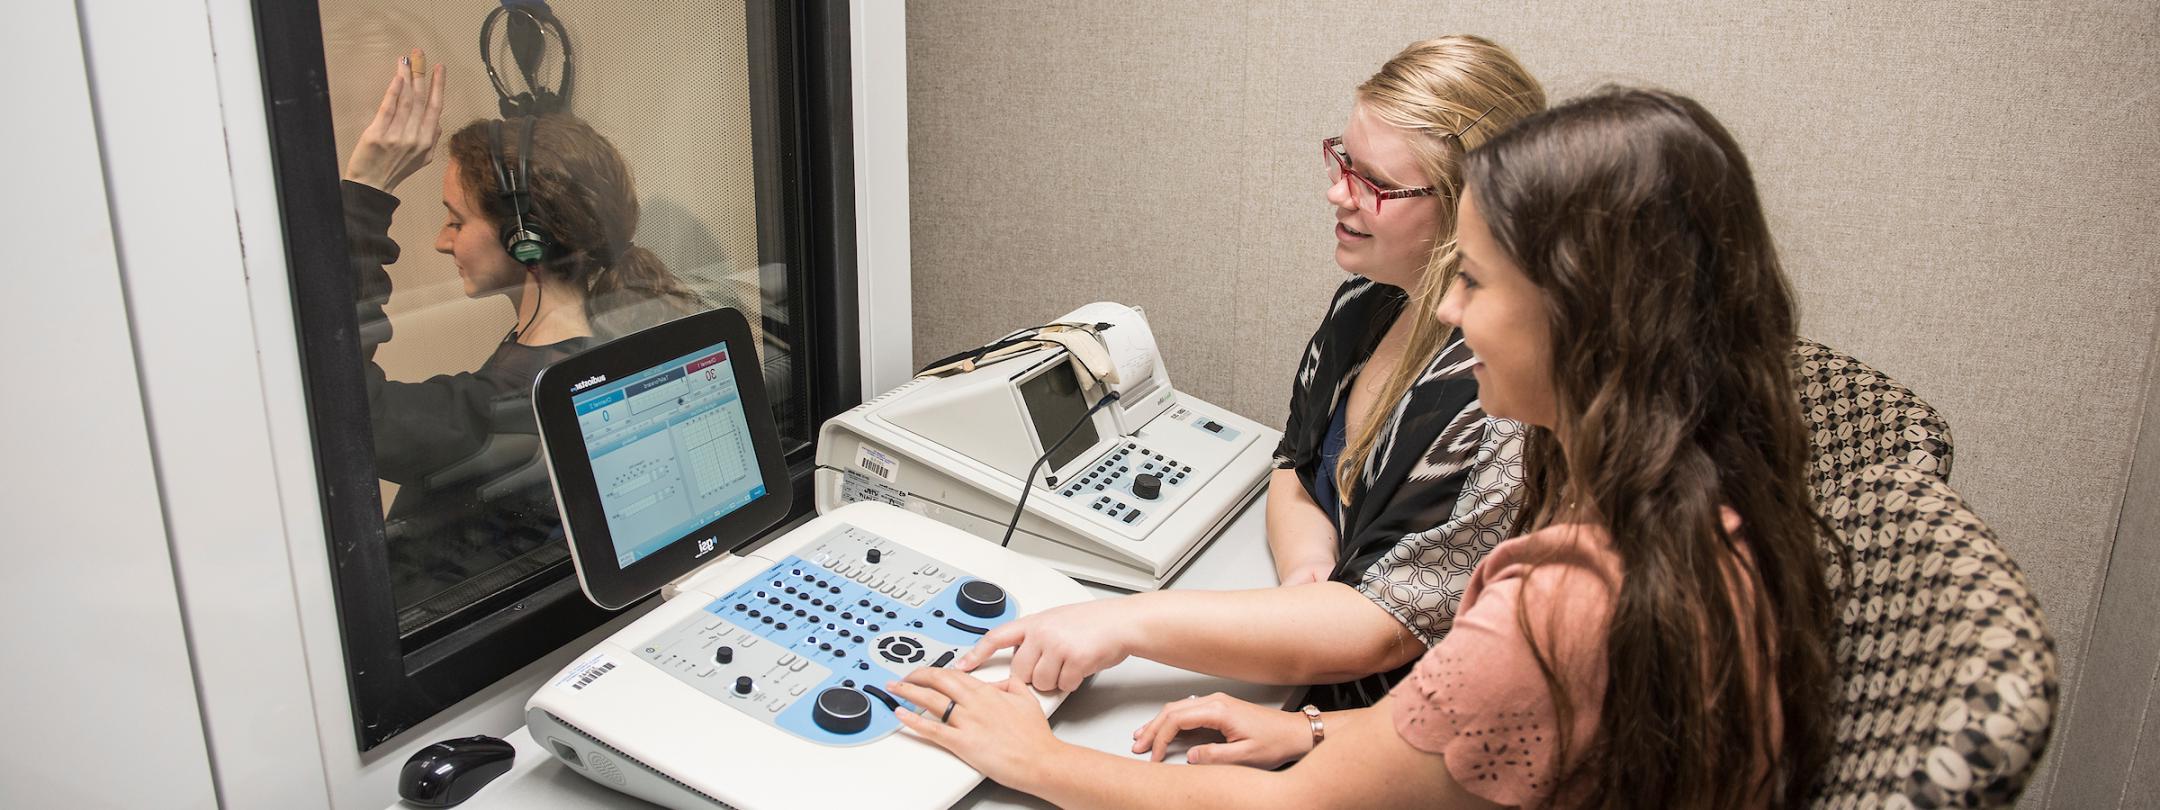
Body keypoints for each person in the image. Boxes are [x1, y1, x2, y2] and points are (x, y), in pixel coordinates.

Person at [886, 88, 1841, 809]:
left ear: (1581, 312)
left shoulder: (1564, 605)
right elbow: (1496, 729)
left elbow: (1295, 807)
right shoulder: (1712, 504)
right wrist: (1316, 728)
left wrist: (1038, 758)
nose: (1452, 311)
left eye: (1472, 280)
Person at [954, 35, 1546, 710]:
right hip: (1310, 669)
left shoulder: (1502, 386)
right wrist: (1305, 576)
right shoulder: (1368, 300)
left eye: (1374, 183)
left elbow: (1386, 628)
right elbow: (1293, 465)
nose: (1336, 192)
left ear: (1472, 205)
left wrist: (1123, 623)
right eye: (1343, 161)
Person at [339, 53, 701, 620]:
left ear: (525, 238)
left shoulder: (513, 403)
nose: (440, 240)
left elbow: (341, 410)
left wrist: (363, 190)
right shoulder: (614, 345)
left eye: (456, 220)